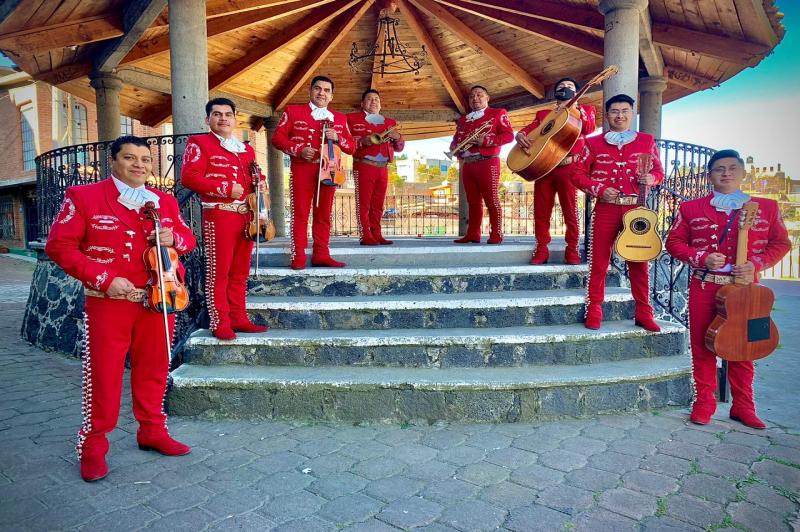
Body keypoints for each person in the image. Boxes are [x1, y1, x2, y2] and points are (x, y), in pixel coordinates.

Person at [45, 135, 197, 482]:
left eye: (145, 159)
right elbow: (60, 246)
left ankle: (152, 430)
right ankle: (94, 444)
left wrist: (176, 239)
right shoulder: (84, 196)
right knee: (104, 374)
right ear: (112, 161)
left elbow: (188, 240)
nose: (139, 165)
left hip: (159, 300)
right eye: (130, 158)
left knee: (155, 369)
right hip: (109, 303)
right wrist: (102, 277)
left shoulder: (165, 201)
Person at [665, 149, 791, 428]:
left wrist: (756, 263)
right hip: (705, 285)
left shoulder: (767, 208)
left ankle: (744, 406)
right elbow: (673, 243)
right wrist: (701, 257)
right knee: (702, 345)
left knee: (745, 347)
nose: (726, 173)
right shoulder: (690, 208)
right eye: (719, 169)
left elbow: (782, 244)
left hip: (748, 290)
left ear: (743, 173)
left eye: (732, 168)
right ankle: (704, 403)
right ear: (710, 175)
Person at [572, 94, 664, 332]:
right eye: (614, 111)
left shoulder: (646, 140)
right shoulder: (592, 143)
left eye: (624, 111)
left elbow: (659, 172)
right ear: (608, 114)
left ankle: (644, 313)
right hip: (606, 208)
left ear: (632, 114)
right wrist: (600, 190)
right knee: (598, 262)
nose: (620, 115)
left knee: (639, 260)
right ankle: (594, 310)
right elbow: (577, 174)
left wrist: (651, 179)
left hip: (637, 208)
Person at [181, 97, 269, 341]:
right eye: (217, 114)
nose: (223, 118)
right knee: (219, 272)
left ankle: (239, 318)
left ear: (234, 118)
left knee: (240, 272)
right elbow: (189, 177)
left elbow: (256, 174)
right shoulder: (199, 142)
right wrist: (224, 188)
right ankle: (220, 321)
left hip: (247, 216)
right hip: (220, 214)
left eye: (227, 114)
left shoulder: (246, 148)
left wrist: (260, 185)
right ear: (207, 119)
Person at [272, 75, 355, 269]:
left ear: (331, 96)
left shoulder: (340, 119)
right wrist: (299, 150)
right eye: (318, 89)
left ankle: (322, 254)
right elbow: (277, 138)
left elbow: (352, 147)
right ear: (310, 91)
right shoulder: (293, 111)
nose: (321, 93)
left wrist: (339, 138)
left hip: (330, 170)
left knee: (324, 214)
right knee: (300, 213)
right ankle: (298, 256)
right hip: (303, 167)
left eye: (326, 90)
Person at [515, 78, 596, 264]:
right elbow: (528, 130)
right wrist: (520, 135)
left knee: (570, 211)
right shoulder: (544, 113)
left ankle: (572, 249)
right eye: (561, 87)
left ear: (577, 92)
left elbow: (589, 128)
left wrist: (574, 105)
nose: (565, 89)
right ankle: (542, 249)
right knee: (541, 212)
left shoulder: (586, 110)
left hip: (569, 168)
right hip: (544, 169)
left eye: (570, 87)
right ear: (555, 93)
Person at [450, 85, 514, 244]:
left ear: (487, 98)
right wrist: (453, 148)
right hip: (468, 164)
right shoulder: (464, 119)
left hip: (488, 161)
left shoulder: (498, 113)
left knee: (491, 199)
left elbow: (509, 136)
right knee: (472, 201)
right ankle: (473, 234)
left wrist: (486, 140)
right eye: (472, 96)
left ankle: (496, 234)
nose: (475, 98)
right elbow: (457, 138)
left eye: (479, 95)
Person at [347, 89, 405, 245]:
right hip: (364, 165)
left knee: (378, 203)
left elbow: (399, 148)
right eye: (369, 99)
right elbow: (343, 139)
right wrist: (361, 141)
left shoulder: (389, 123)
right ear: (362, 104)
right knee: (364, 202)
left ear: (380, 104)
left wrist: (398, 137)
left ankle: (377, 233)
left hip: (383, 167)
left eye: (376, 99)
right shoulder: (351, 119)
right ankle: (365, 235)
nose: (373, 101)